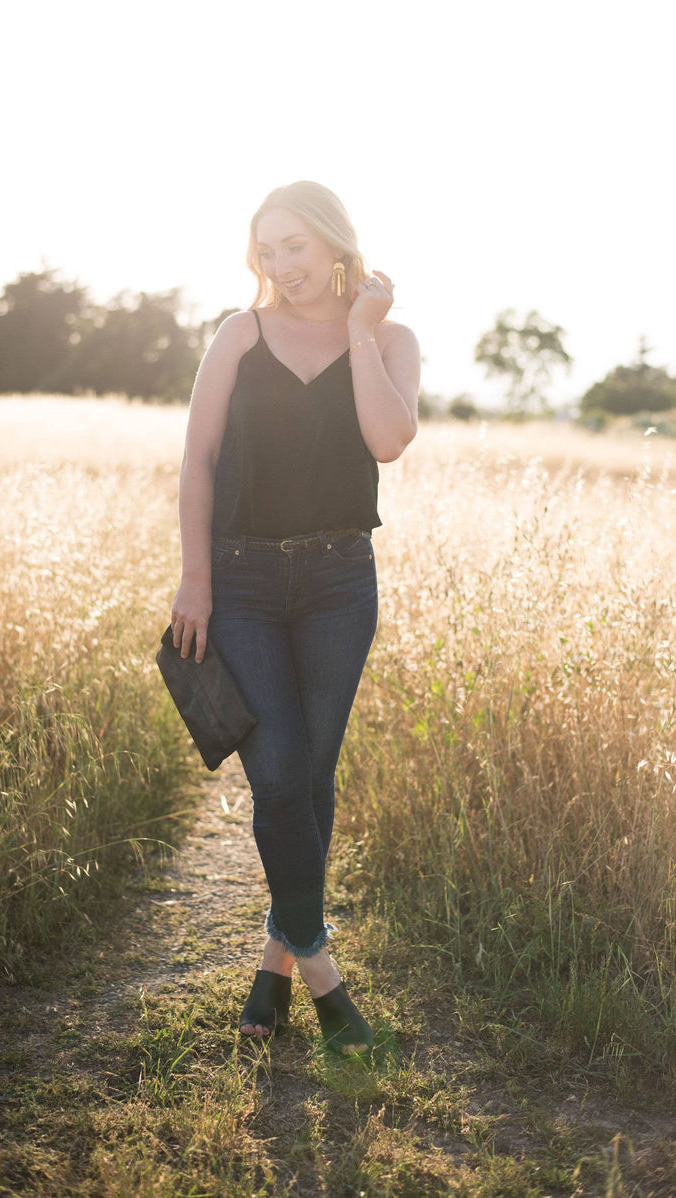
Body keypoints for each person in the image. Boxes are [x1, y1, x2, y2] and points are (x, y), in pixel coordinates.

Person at [170, 181, 420, 1053]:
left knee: (312, 778)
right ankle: (325, 981)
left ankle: (271, 968)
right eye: (266, 250)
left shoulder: (389, 340)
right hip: (237, 582)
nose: (281, 266)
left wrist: (359, 332)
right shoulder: (240, 334)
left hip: (338, 583)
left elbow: (388, 440)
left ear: (335, 243)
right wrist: (194, 579)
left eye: (296, 249)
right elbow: (197, 461)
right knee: (276, 776)